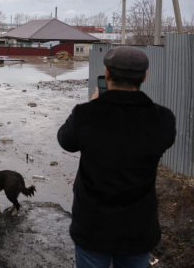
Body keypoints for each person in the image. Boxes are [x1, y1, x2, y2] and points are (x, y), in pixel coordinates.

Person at [57, 46, 176, 268]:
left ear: (107, 74)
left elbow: (65, 141)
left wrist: (94, 105)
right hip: (138, 230)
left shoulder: (86, 114)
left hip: (91, 229)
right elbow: (163, 141)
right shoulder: (163, 119)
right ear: (144, 77)